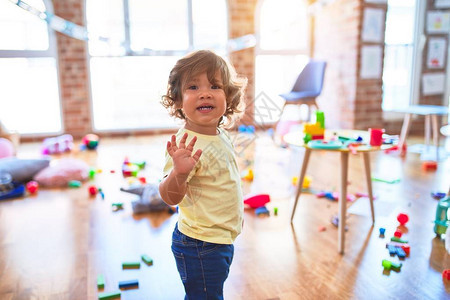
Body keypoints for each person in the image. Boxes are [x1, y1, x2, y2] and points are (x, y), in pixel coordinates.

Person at [159, 50, 247, 299]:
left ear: (228, 97)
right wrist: (179, 173)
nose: (205, 93)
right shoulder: (184, 144)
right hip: (200, 245)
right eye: (193, 86)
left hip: (218, 239)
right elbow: (169, 196)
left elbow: (223, 184)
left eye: (215, 86)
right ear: (177, 100)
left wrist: (233, 217)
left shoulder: (221, 134)